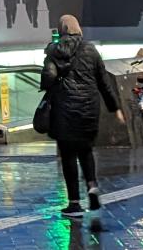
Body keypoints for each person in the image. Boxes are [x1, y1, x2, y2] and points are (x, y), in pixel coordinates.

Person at [42, 14, 121, 217]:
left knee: (68, 156)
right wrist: (115, 107)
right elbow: (104, 82)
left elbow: (48, 78)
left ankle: (74, 204)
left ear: (61, 30)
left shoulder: (54, 51)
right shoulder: (91, 50)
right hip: (88, 110)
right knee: (86, 151)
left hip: (65, 110)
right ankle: (93, 190)